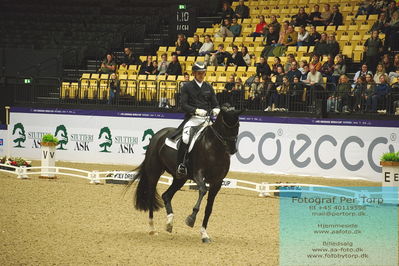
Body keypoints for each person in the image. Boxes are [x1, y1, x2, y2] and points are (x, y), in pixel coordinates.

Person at [176, 62, 220, 178]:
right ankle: (182, 164)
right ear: (194, 73)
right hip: (193, 118)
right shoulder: (187, 87)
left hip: (207, 119)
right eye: (199, 73)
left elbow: (215, 104)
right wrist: (196, 110)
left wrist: (216, 110)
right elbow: (183, 105)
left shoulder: (208, 87)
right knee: (186, 138)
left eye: (203, 73)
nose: (201, 75)